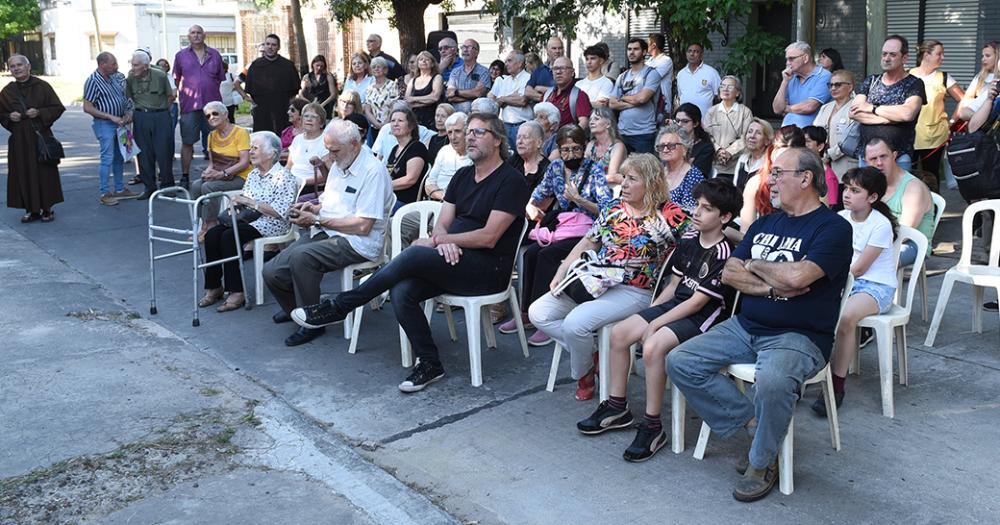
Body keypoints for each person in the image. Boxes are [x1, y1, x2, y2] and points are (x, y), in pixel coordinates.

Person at [289, 113, 530, 392]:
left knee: (416, 252)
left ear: (498, 140)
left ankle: (341, 306)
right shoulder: (463, 175)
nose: (469, 137)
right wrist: (443, 239)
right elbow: (441, 223)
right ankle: (430, 362)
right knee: (402, 291)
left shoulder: (511, 181)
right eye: (469, 132)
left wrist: (441, 241)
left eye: (479, 132)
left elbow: (489, 237)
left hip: (488, 270)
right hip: (452, 260)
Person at [667, 147, 852, 503]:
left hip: (800, 335)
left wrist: (756, 265)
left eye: (779, 172)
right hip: (746, 325)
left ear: (805, 178)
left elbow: (800, 276)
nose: (771, 180)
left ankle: (762, 461)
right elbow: (732, 273)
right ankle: (756, 425)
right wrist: (773, 285)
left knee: (772, 381)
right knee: (681, 360)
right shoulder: (766, 223)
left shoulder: (834, 227)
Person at [577, 179, 741, 461]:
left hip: (705, 317)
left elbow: (698, 302)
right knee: (620, 333)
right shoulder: (689, 239)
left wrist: (656, 323)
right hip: (679, 305)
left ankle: (653, 425)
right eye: (697, 206)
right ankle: (618, 407)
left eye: (707, 209)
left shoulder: (724, 252)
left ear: (724, 217)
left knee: (653, 346)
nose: (698, 213)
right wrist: (651, 312)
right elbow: (675, 285)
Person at [529, 153, 690, 401]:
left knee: (575, 324)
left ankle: (582, 373)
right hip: (595, 279)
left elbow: (706, 228)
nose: (623, 184)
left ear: (650, 182)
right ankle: (591, 356)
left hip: (635, 290)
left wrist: (740, 236)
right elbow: (588, 242)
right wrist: (561, 271)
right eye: (623, 177)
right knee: (538, 312)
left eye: (632, 179)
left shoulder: (669, 214)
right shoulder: (614, 209)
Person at [264, 119, 394, 347]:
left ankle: (312, 322)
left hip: (358, 242)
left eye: (334, 150)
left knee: (301, 258)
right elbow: (330, 200)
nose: (330, 155)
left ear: (354, 144)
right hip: (328, 230)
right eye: (328, 149)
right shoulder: (339, 164)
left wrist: (316, 218)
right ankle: (297, 309)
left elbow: (363, 225)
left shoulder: (373, 171)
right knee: (271, 271)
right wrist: (313, 207)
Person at [501, 125, 613, 347]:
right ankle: (527, 312)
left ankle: (547, 316)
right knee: (531, 254)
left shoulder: (595, 170)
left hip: (588, 231)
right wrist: (532, 206)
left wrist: (580, 200)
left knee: (547, 255)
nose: (571, 155)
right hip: (563, 228)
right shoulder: (555, 168)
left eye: (576, 149)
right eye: (565, 150)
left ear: (584, 148)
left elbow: (608, 210)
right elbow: (538, 193)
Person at [813, 166, 899, 416]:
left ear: (872, 197)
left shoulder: (880, 225)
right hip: (843, 280)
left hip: (875, 287)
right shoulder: (840, 217)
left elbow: (859, 269)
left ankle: (836, 386)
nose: (846, 194)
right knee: (806, 307)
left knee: (846, 317)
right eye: (846, 188)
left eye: (855, 190)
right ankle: (803, 375)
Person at [198, 131, 300, 312]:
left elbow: (280, 213)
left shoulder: (284, 177)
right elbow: (244, 200)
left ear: (271, 153)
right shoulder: (253, 175)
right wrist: (236, 203)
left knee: (230, 236)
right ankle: (214, 286)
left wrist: (251, 203)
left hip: (271, 223)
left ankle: (237, 291)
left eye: (255, 148)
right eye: (250, 148)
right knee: (213, 234)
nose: (250, 152)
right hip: (249, 219)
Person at [1, 54, 65, 222]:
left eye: (19, 65)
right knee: (23, 173)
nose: (16, 68)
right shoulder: (7, 91)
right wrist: (9, 116)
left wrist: (40, 112)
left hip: (40, 136)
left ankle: (47, 209)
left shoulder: (42, 86)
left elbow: (57, 107)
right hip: (19, 140)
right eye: (13, 66)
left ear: (28, 66)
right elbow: (1, 114)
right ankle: (30, 209)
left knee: (44, 173)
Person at [850, 35, 926, 171]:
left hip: (898, 157)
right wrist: (889, 119)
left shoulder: (914, 84)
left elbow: (908, 114)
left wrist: (872, 108)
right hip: (867, 157)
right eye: (884, 54)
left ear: (904, 58)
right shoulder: (871, 81)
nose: (886, 58)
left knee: (897, 193)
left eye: (892, 54)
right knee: (868, 192)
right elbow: (854, 112)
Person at [863, 137, 934, 267]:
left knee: (868, 263)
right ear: (866, 162)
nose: (879, 163)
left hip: (911, 244)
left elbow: (904, 234)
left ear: (894, 156)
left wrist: (869, 248)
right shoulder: (870, 186)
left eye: (883, 156)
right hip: (878, 241)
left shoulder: (913, 188)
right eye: (873, 159)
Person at [173, 25, 226, 189]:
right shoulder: (181, 56)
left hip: (213, 105)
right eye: (193, 33)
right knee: (188, 142)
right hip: (190, 105)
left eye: (199, 33)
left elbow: (219, 78)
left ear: (204, 35)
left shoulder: (215, 54)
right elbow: (177, 79)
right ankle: (185, 176)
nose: (196, 35)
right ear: (188, 37)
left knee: (217, 141)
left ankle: (218, 173)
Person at [191, 101, 253, 240]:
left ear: (225, 114)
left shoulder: (240, 132)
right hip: (221, 174)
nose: (211, 117)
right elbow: (212, 163)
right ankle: (203, 223)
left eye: (215, 113)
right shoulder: (211, 136)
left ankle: (212, 225)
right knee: (196, 185)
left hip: (241, 176)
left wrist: (222, 173)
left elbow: (244, 162)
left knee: (209, 187)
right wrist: (207, 172)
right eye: (208, 116)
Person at [84, 52, 139, 205]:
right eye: (113, 64)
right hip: (105, 124)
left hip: (120, 124)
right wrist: (109, 116)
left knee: (119, 157)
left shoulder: (114, 78)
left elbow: (123, 98)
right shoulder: (93, 81)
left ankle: (120, 189)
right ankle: (104, 192)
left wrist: (128, 113)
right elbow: (87, 107)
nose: (117, 66)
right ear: (103, 65)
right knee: (107, 157)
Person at [910, 40, 965, 180]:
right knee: (908, 176)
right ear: (926, 55)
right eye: (939, 54)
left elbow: (964, 100)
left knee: (932, 175)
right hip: (909, 136)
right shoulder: (907, 76)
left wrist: (952, 121)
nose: (943, 57)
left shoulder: (944, 77)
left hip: (934, 137)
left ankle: (934, 202)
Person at [598, 38, 661, 154]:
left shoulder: (652, 74)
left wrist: (622, 97)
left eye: (636, 49)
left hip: (644, 134)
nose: (631, 52)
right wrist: (636, 101)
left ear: (644, 52)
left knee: (642, 170)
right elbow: (612, 103)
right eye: (629, 49)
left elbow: (642, 98)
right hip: (622, 133)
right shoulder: (622, 76)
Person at [126, 50, 175, 199]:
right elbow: (129, 97)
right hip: (141, 116)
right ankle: (149, 187)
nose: (133, 68)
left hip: (160, 116)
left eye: (136, 65)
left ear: (146, 66)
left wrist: (159, 111)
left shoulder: (160, 75)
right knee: (143, 153)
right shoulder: (130, 77)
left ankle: (167, 187)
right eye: (132, 64)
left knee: (164, 152)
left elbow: (170, 96)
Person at [738, 125, 805, 229]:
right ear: (772, 152)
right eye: (777, 169)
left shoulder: (808, 183)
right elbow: (746, 231)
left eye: (788, 165)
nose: (776, 178)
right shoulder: (756, 182)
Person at [245, 34, 300, 134]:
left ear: (278, 47)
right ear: (264, 46)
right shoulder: (255, 65)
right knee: (263, 138)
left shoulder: (288, 66)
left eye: (274, 45)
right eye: (268, 44)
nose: (270, 47)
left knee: (283, 136)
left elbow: (294, 91)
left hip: (282, 109)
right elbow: (248, 88)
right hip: (262, 111)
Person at [815, 69, 859, 186]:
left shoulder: (856, 108)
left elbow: (852, 139)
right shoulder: (825, 108)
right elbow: (814, 132)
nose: (833, 88)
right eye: (830, 85)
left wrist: (830, 154)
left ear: (850, 87)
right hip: (822, 165)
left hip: (845, 166)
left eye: (838, 85)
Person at [772, 41, 832, 128]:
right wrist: (784, 81)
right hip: (787, 134)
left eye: (791, 59)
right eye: (787, 59)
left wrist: (786, 108)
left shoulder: (824, 76)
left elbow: (810, 106)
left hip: (811, 136)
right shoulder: (790, 77)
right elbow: (777, 109)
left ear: (805, 58)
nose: (787, 63)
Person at [706, 75, 754, 180]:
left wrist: (729, 152)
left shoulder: (745, 112)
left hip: (736, 163)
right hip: (715, 163)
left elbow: (746, 137)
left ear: (738, 93)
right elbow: (707, 135)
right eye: (722, 86)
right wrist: (718, 150)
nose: (725, 89)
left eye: (730, 87)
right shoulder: (711, 112)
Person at [386, 107, 430, 207]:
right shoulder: (395, 149)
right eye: (393, 121)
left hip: (406, 203)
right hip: (390, 198)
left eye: (400, 121)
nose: (395, 124)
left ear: (411, 126)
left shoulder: (417, 148)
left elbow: (410, 179)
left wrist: (384, 186)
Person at [489, 50, 534, 147]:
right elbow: (496, 101)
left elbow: (522, 100)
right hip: (505, 126)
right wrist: (511, 97)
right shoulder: (505, 80)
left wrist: (504, 99)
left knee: (521, 157)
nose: (506, 65)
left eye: (509, 61)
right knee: (507, 157)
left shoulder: (529, 78)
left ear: (519, 63)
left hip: (522, 126)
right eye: (506, 62)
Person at [424, 112, 472, 201]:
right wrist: (443, 197)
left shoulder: (475, 156)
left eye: (457, 131)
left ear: (467, 132)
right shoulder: (444, 151)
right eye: (449, 132)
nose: (453, 137)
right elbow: (429, 183)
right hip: (438, 201)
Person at [657, 124, 704, 213]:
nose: (665, 150)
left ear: (684, 149)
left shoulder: (693, 177)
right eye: (662, 146)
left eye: (671, 146)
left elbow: (688, 214)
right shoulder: (658, 171)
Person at [285, 102, 328, 192]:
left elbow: (323, 176)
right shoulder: (298, 139)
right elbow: (289, 166)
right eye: (306, 116)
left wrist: (300, 181)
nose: (309, 119)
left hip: (311, 188)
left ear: (321, 123)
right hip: (291, 184)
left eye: (314, 117)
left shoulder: (326, 141)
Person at [543, 56, 592, 129]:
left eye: (563, 68)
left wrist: (569, 137)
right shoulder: (547, 94)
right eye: (555, 68)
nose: (558, 72)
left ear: (572, 72)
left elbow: (584, 122)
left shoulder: (579, 95)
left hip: (565, 138)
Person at [446, 39, 492, 114]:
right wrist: (472, 97)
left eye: (469, 47)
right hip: (457, 116)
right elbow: (450, 96)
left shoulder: (484, 72)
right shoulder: (455, 72)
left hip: (477, 116)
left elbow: (479, 93)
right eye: (463, 47)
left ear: (477, 52)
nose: (465, 50)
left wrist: (456, 92)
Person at [676, 43, 721, 119]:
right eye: (689, 51)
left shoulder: (711, 72)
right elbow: (681, 96)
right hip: (685, 121)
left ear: (701, 55)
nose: (692, 54)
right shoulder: (681, 74)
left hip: (705, 120)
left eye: (696, 51)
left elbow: (719, 96)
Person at [585, 106, 627, 185]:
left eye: (596, 119)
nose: (591, 122)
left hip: (611, 190)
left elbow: (611, 177)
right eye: (590, 119)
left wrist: (588, 178)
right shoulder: (591, 145)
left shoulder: (617, 146)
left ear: (608, 124)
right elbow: (583, 169)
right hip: (593, 186)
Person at [957, 41, 998, 121]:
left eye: (987, 56)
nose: (983, 59)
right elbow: (965, 101)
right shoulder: (980, 77)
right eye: (982, 56)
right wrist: (980, 117)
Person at [363, 56, 399, 145]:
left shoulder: (392, 85)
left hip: (389, 126)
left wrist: (384, 124)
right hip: (374, 127)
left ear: (385, 70)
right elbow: (367, 110)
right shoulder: (369, 88)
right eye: (374, 67)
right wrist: (376, 124)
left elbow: (394, 107)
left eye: (379, 67)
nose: (376, 69)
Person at [506, 120, 551, 191]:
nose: (520, 142)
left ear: (539, 143)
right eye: (518, 137)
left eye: (525, 137)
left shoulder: (547, 170)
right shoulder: (513, 160)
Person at [673, 103, 715, 178]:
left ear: (695, 123)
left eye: (685, 121)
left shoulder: (706, 147)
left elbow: (698, 175)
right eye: (677, 121)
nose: (679, 124)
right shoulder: (671, 143)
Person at [405, 51, 445, 129]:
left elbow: (435, 97)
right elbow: (407, 100)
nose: (424, 61)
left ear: (432, 63)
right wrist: (427, 100)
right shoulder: (412, 81)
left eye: (427, 59)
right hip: (415, 118)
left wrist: (414, 99)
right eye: (421, 59)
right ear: (418, 63)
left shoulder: (437, 77)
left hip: (431, 117)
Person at [733, 118, 774, 190]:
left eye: (758, 133)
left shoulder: (770, 163)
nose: (752, 136)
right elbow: (735, 189)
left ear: (767, 141)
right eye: (750, 131)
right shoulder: (742, 159)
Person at [803, 125, 840, 206]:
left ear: (820, 146)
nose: (803, 145)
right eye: (801, 141)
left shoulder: (828, 177)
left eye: (807, 141)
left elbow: (828, 208)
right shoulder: (796, 169)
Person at [525, 37, 564, 103]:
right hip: (540, 112)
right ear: (547, 51)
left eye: (560, 48)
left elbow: (563, 93)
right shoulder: (539, 70)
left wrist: (540, 88)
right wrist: (546, 98)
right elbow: (527, 92)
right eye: (554, 48)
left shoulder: (567, 69)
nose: (557, 51)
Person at [299, 55, 339, 119]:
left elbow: (333, 94)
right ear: (313, 64)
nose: (319, 68)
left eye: (321, 66)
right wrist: (307, 102)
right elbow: (300, 92)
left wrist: (322, 105)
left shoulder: (328, 76)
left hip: (325, 105)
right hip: (311, 105)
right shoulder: (306, 77)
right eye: (317, 65)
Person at [647, 33, 673, 118]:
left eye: (648, 44)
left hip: (663, 106)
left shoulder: (666, 60)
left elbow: (652, 77)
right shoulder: (649, 61)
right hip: (649, 105)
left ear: (653, 45)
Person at [219, 58, 242, 123]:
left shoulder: (231, 75)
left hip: (230, 101)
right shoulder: (215, 76)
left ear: (225, 68)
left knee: (230, 118)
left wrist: (234, 88)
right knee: (220, 119)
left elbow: (239, 81)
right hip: (219, 101)